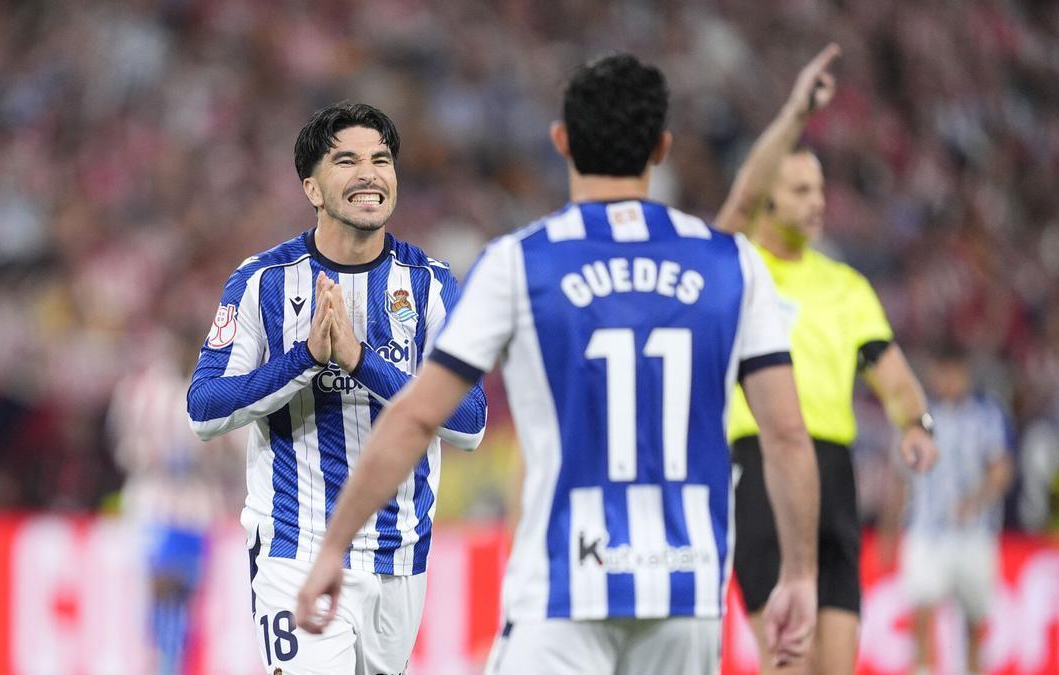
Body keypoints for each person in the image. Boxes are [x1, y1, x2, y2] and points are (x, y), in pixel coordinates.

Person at [297, 54, 822, 674]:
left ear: (562, 142)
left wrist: (334, 546)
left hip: (560, 590)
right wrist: (800, 574)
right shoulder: (732, 263)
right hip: (686, 593)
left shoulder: (522, 263)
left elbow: (416, 417)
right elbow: (786, 434)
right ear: (661, 147)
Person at [185, 102, 488, 675]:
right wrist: (305, 359)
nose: (369, 174)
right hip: (293, 545)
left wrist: (358, 360)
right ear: (313, 189)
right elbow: (204, 410)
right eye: (346, 161)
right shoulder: (262, 283)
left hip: (399, 552)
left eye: (381, 159)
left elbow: (470, 422)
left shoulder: (429, 287)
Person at [715, 44, 940, 674]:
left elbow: (893, 377)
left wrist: (914, 423)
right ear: (768, 198)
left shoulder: (847, 286)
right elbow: (734, 209)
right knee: (787, 664)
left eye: (821, 187)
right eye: (800, 189)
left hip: (833, 477)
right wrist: (794, 114)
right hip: (760, 469)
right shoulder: (738, 266)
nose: (818, 201)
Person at [109, 329, 242, 675]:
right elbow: (124, 446)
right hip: (158, 501)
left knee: (184, 594)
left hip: (192, 505)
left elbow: (236, 452)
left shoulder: (211, 389)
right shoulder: (144, 389)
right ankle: (159, 663)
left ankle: (173, 664)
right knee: (159, 589)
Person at [889, 344, 1013, 675]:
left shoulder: (986, 414)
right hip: (927, 530)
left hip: (974, 532)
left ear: (965, 373)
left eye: (954, 372)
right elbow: (900, 477)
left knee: (974, 619)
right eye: (942, 372)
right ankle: (923, 669)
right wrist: (889, 529)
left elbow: (1001, 467)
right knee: (922, 610)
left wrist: (978, 498)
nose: (948, 380)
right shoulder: (919, 416)